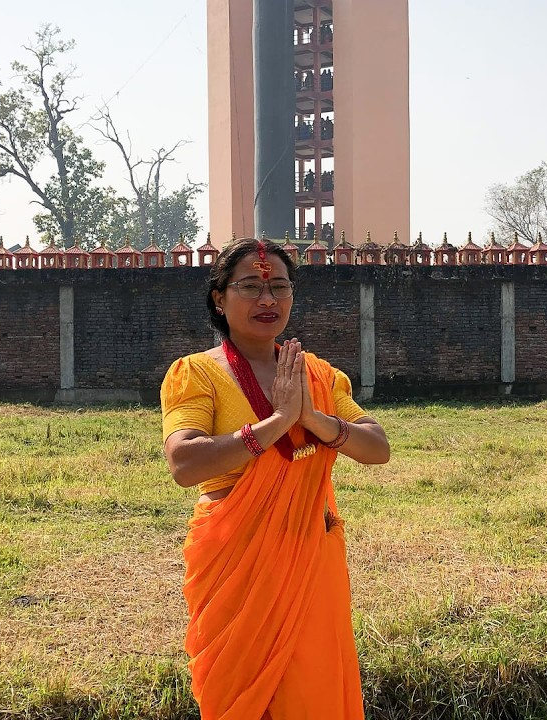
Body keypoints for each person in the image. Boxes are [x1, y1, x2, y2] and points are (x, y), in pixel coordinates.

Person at [161, 238, 390, 719]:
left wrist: (315, 419)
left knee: (310, 688)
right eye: (250, 287)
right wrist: (275, 424)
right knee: (243, 696)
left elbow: (377, 448)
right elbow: (184, 463)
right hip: (236, 562)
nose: (267, 300)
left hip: (310, 557)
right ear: (219, 299)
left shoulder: (318, 375)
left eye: (279, 287)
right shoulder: (196, 373)